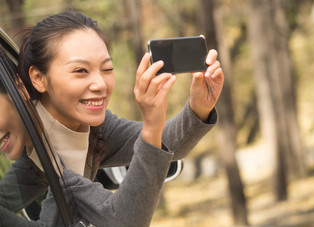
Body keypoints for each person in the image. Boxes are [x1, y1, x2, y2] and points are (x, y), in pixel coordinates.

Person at [1, 10, 224, 226]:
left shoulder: (90, 127)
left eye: (107, 69)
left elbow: (168, 144)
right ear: (38, 78)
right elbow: (125, 219)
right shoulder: (46, 153)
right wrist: (152, 125)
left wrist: (199, 107)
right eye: (80, 70)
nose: (100, 84)